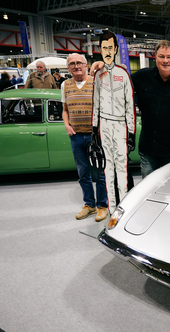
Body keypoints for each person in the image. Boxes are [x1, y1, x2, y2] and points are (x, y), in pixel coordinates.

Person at [91, 40, 170, 179]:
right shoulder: (142, 77)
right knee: (148, 187)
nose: (165, 60)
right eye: (161, 56)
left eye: (169, 57)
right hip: (149, 146)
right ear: (155, 57)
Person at [92, 31, 136, 213]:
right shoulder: (97, 75)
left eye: (110, 47)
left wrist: (131, 133)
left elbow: (130, 106)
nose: (108, 51)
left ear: (116, 49)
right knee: (107, 169)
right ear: (100, 50)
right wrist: (94, 130)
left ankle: (123, 211)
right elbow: (95, 103)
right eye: (104, 48)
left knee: (122, 170)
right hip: (103, 125)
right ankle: (111, 211)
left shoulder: (123, 74)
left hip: (120, 126)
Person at [61, 53, 108, 222]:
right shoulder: (65, 85)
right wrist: (67, 125)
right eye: (72, 64)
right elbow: (65, 110)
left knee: (99, 173)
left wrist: (102, 63)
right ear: (68, 68)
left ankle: (103, 206)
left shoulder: (97, 82)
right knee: (83, 173)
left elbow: (109, 68)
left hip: (95, 136)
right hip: (76, 136)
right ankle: (90, 204)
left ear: (86, 65)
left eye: (79, 63)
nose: (76, 66)